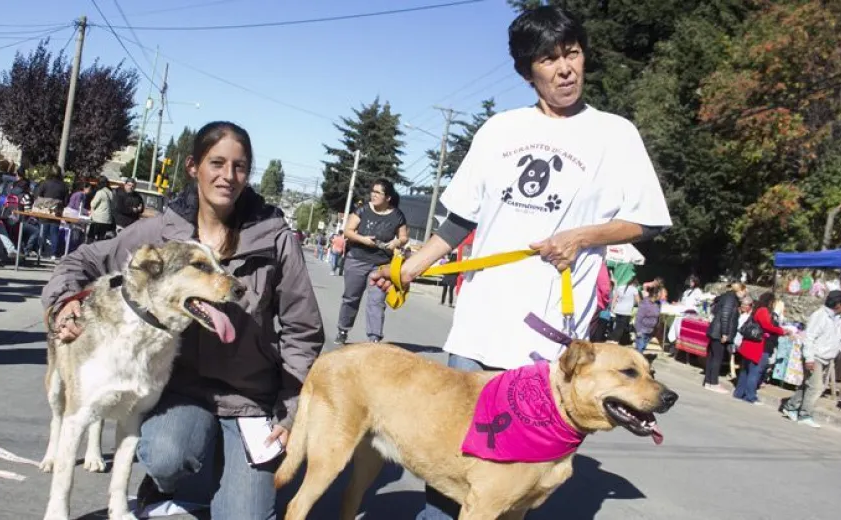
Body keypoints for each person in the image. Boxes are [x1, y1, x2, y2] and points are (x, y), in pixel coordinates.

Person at [367, 7, 672, 518]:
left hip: (549, 347)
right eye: (549, 60)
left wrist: (584, 236)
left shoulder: (615, 134)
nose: (565, 68)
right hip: (480, 328)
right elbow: (459, 222)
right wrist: (409, 267)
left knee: (515, 489)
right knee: (452, 475)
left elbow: (650, 221)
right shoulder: (499, 131)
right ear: (528, 71)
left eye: (571, 53)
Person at [41, 121, 324, 519]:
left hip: (251, 400)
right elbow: (82, 260)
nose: (228, 176)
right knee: (166, 455)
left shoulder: (274, 238)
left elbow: (303, 329)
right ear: (194, 166)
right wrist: (64, 301)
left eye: (240, 167)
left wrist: (290, 408)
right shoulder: (161, 232)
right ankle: (172, 479)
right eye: (217, 163)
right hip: (183, 391)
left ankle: (223, 471)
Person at [335, 179, 408, 344]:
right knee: (351, 297)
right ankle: (342, 329)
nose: (373, 195)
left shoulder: (397, 215)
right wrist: (363, 239)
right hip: (357, 260)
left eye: (378, 192)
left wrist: (396, 242)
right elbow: (348, 231)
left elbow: (404, 237)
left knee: (377, 301)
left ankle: (374, 338)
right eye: (372, 191)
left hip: (381, 264)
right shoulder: (362, 210)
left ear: (388, 197)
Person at [782, 290, 841, 428]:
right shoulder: (820, 316)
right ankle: (805, 414)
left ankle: (791, 406)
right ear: (838, 304)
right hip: (815, 356)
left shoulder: (837, 318)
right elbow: (809, 338)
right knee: (816, 387)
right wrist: (809, 358)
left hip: (826, 356)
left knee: (808, 384)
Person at [735, 292, 788, 405]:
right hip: (757, 346)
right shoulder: (763, 311)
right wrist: (781, 331)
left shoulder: (756, 309)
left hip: (748, 344)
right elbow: (767, 326)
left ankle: (739, 392)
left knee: (745, 371)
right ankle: (750, 396)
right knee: (755, 372)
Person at [703, 282, 747, 393]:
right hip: (719, 332)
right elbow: (725, 315)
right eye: (744, 291)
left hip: (716, 331)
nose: (745, 294)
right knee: (717, 357)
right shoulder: (731, 299)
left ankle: (708, 381)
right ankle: (713, 382)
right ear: (740, 290)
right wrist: (725, 333)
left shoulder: (727, 297)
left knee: (712, 356)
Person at [34, 165, 69, 258]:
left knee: (43, 231)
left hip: (44, 210)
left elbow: (38, 196)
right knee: (54, 233)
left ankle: (40, 250)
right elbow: (66, 202)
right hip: (57, 211)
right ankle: (53, 253)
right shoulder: (64, 186)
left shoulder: (45, 183)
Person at [609, 278, 639, 345]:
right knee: (621, 327)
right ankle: (613, 339)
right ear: (635, 284)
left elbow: (614, 298)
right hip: (626, 311)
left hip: (618, 309)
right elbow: (638, 301)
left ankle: (623, 340)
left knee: (619, 326)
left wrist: (612, 308)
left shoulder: (620, 287)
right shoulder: (634, 289)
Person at [85, 176, 115, 243]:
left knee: (91, 236)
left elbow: (93, 204)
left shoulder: (100, 192)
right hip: (107, 220)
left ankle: (88, 250)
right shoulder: (110, 192)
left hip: (98, 219)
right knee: (100, 238)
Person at [634, 281, 661, 353]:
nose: (661, 295)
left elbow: (657, 317)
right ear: (654, 294)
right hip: (642, 331)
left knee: (642, 349)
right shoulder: (644, 303)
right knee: (639, 351)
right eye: (659, 293)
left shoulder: (657, 304)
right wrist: (638, 331)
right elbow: (638, 318)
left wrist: (656, 328)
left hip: (650, 331)